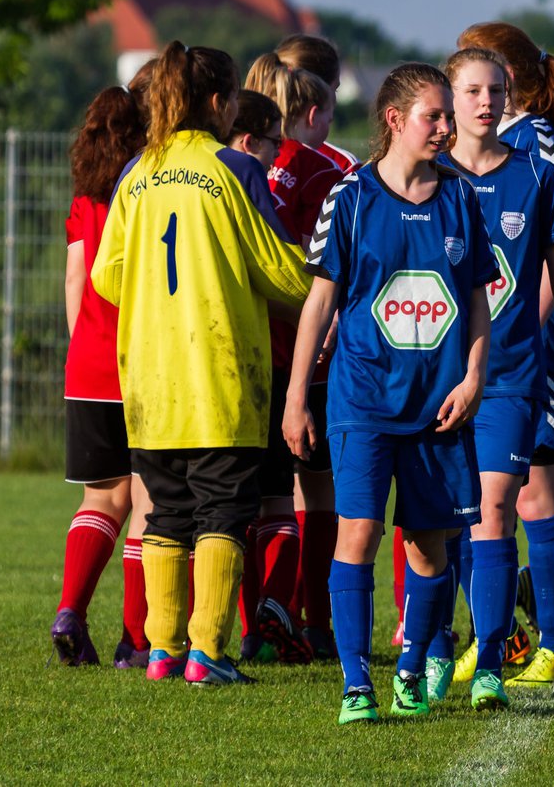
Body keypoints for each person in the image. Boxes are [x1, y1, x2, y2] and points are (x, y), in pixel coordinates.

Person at [91, 40, 312, 686]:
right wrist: (327, 284)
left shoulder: (138, 169)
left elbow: (108, 274)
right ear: (219, 103)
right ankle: (207, 653)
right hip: (218, 372)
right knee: (223, 510)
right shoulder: (233, 168)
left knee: (164, 511)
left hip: (151, 377)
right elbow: (278, 270)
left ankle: (161, 651)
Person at [283, 62, 497, 725]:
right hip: (362, 400)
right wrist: (295, 398)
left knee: (427, 548)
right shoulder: (349, 198)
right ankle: (355, 684)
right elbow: (320, 304)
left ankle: (409, 670)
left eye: (446, 115)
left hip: (438, 405)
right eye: (433, 116)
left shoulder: (460, 198)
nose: (445, 126)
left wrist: (474, 377)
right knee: (360, 530)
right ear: (395, 120)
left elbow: (478, 303)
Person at [426, 47, 554, 707]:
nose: (486, 102)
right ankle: (432, 648)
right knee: (432, 522)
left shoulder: (536, 178)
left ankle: (490, 659)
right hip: (428, 376)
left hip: (511, 373)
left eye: (496, 90)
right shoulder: (421, 177)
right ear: (450, 99)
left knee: (495, 510)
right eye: (472, 91)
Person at [243, 58, 346, 662]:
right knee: (314, 488)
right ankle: (313, 619)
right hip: (308, 355)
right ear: (311, 110)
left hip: (242, 351)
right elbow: (328, 269)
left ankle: (252, 625)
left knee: (246, 497)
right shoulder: (324, 169)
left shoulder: (228, 167)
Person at [51, 79, 155, 669]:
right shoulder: (146, 187)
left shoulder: (85, 197)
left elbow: (75, 281)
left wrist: (86, 348)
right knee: (145, 500)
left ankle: (70, 610)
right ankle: (136, 640)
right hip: (143, 361)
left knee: (100, 497)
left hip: (87, 362)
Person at [270, 33, 360, 171]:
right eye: (335, 89)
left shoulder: (244, 145)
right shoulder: (342, 165)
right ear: (318, 89)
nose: (335, 100)